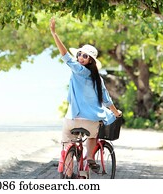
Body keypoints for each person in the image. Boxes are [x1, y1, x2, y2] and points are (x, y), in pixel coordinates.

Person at [50, 17, 122, 172]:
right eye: (79, 54)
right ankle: (90, 158)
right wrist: (116, 113)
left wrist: (54, 34)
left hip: (72, 119)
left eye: (84, 56)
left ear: (90, 60)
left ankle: (67, 176)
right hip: (91, 120)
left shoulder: (78, 71)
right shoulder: (97, 79)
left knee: (67, 142)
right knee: (92, 136)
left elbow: (65, 56)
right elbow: (107, 100)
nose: (80, 58)